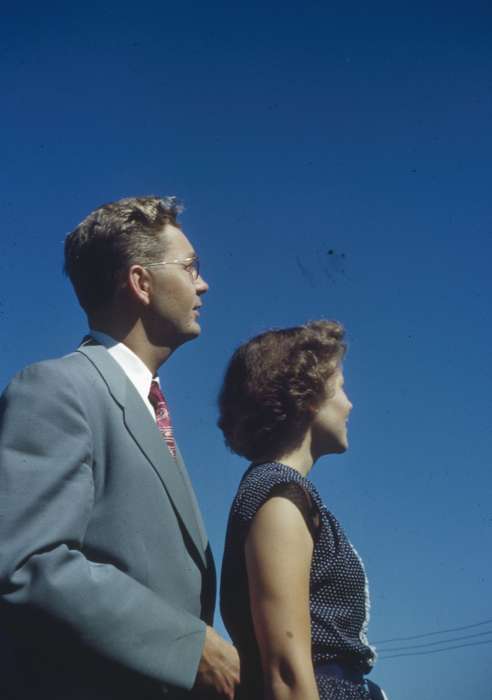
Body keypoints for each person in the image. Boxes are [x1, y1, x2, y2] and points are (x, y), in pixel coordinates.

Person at [0, 196, 239, 700]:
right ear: (141, 283)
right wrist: (184, 646)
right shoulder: (58, 388)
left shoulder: (150, 411)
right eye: (191, 267)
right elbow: (27, 561)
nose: (203, 284)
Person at [219, 321, 388, 700]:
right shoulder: (279, 498)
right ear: (308, 395)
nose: (349, 403)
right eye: (341, 387)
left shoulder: (286, 493)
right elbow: (288, 675)